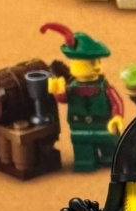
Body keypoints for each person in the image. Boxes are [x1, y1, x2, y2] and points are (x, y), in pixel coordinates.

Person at [42, 22, 124, 172]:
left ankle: (109, 158)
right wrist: (58, 92)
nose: (97, 66)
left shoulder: (104, 87)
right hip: (79, 128)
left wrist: (117, 116)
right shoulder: (72, 87)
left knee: (110, 150)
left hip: (104, 127)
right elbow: (64, 99)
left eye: (98, 61)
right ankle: (85, 161)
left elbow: (116, 102)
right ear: (74, 63)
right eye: (91, 63)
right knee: (83, 151)